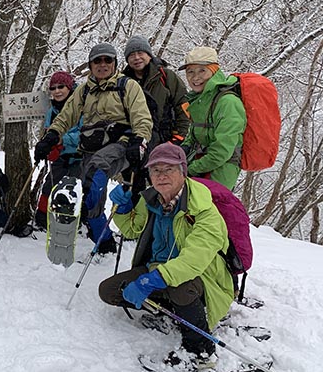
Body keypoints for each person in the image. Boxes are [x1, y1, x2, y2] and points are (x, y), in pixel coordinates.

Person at [99, 142, 234, 370]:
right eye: (155, 170)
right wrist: (121, 210)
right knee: (109, 291)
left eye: (168, 169)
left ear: (183, 171)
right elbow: (132, 230)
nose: (161, 175)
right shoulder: (152, 199)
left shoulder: (204, 211)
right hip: (158, 269)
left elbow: (193, 260)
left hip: (203, 279)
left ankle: (200, 352)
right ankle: (171, 311)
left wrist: (152, 280)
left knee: (179, 286)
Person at [33, 42, 153, 254]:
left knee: (95, 173)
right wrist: (51, 136)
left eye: (108, 60)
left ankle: (87, 218)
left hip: (120, 144)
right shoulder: (85, 90)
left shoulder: (127, 86)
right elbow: (66, 116)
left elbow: (142, 117)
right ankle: (105, 244)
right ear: (90, 65)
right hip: (91, 148)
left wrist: (139, 140)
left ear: (115, 63)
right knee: (92, 204)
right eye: (97, 60)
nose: (103, 64)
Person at [121, 35, 189, 198]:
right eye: (131, 55)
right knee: (134, 190)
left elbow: (183, 108)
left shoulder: (166, 77)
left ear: (149, 54)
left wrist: (178, 138)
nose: (136, 58)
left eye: (140, 53)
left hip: (164, 141)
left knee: (164, 187)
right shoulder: (123, 82)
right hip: (136, 144)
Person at [179, 46, 246, 190]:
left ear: (214, 71)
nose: (195, 77)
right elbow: (195, 133)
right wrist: (182, 149)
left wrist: (191, 168)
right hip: (201, 164)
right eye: (190, 72)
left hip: (222, 171)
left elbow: (221, 151)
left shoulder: (228, 102)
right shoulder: (199, 101)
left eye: (202, 70)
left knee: (209, 210)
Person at [34, 71, 82, 230]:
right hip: (60, 156)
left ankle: (74, 220)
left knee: (74, 188)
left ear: (69, 87)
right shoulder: (52, 111)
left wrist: (63, 140)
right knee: (50, 185)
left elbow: (85, 133)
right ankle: (42, 218)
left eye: (61, 86)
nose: (57, 91)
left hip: (79, 156)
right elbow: (49, 131)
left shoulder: (81, 107)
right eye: (53, 88)